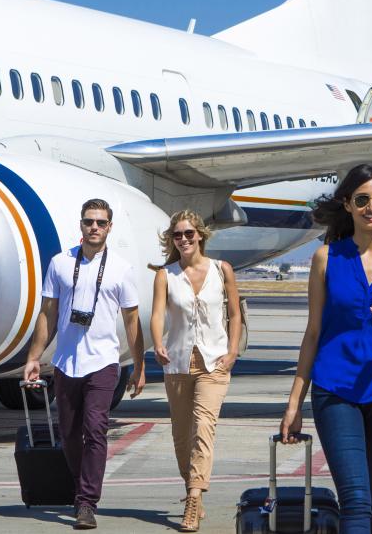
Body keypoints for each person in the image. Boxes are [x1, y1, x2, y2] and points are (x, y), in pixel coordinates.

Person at [278, 165, 372, 533]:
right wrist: (294, 404)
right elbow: (313, 333)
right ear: (347, 204)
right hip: (336, 391)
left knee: (370, 507)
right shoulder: (327, 258)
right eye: (362, 200)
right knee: (357, 501)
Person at [25, 198, 146, 530]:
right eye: (89, 221)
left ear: (109, 227)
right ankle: (82, 487)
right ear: (81, 225)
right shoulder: (60, 264)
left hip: (104, 362)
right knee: (69, 434)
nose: (95, 227)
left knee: (96, 431)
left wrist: (138, 364)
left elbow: (132, 320)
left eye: (101, 222)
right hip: (66, 362)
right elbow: (47, 313)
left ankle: (86, 502)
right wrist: (34, 358)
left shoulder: (121, 268)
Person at [150, 210, 242, 532]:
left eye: (189, 233)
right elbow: (158, 313)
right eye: (178, 235)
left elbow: (234, 313)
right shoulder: (166, 274)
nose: (184, 239)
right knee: (181, 436)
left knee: (204, 426)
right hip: (176, 362)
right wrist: (157, 342)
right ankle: (194, 490)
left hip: (214, 362)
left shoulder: (222, 270)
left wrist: (232, 352)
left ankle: (193, 496)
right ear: (172, 240)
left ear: (200, 234)